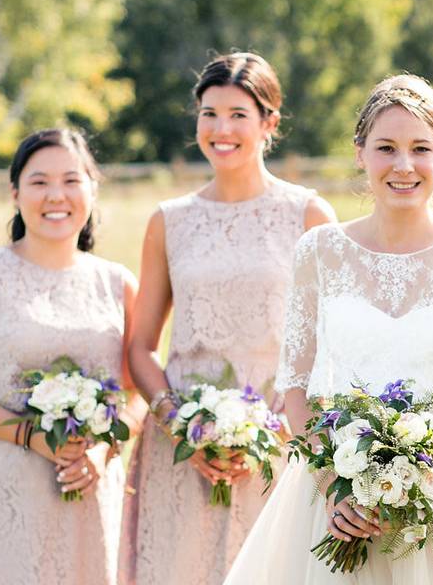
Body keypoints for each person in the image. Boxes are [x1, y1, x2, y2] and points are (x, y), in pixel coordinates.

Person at [223, 75, 433, 584]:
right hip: (335, 498)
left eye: (420, 148)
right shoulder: (319, 252)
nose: (404, 166)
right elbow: (293, 384)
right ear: (360, 153)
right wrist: (338, 483)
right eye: (386, 148)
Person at [120, 51, 336, 585]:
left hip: (281, 445)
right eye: (208, 113)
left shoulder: (308, 215)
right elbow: (141, 346)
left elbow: (334, 344)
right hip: (180, 452)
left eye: (238, 114)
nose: (221, 129)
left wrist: (284, 423)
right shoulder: (169, 221)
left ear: (269, 123)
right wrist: (180, 425)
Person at [0, 128, 143, 584]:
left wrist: (103, 450)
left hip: (86, 489)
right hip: (2, 488)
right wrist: (32, 436)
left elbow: (136, 391)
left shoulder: (117, 282)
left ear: (92, 188)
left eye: (70, 180)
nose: (55, 196)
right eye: (39, 182)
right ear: (15, 193)